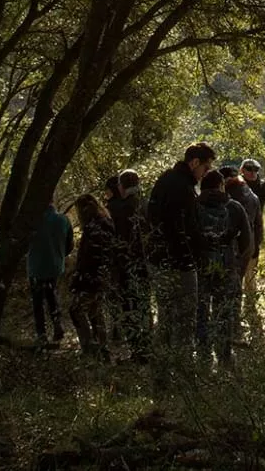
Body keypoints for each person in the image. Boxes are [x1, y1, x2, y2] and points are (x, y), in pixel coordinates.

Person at [146, 142, 215, 372]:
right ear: (194, 162)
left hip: (158, 259)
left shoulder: (165, 180)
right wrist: (193, 255)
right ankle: (183, 372)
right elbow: (184, 229)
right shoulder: (182, 188)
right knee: (185, 319)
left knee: (165, 317)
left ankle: (161, 371)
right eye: (205, 168)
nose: (205, 173)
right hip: (179, 263)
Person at [195, 169, 253, 368]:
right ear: (222, 186)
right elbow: (247, 243)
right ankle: (225, 357)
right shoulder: (234, 207)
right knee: (224, 312)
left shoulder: (193, 206)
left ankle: (202, 356)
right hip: (227, 266)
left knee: (200, 311)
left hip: (200, 268)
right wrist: (238, 267)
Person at [106, 168, 151, 361]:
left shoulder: (118, 208)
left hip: (125, 263)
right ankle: (148, 346)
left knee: (127, 305)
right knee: (144, 304)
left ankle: (137, 350)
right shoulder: (146, 204)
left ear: (122, 186)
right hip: (146, 262)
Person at [68, 194, 116, 360]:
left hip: (92, 278)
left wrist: (81, 276)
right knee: (95, 312)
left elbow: (91, 256)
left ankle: (90, 349)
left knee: (77, 310)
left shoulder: (95, 228)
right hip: (101, 277)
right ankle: (102, 350)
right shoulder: (104, 223)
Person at [27, 201, 74, 346]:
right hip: (55, 266)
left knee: (37, 301)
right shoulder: (63, 219)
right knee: (51, 294)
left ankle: (41, 333)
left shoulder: (32, 221)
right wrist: (60, 255)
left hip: (36, 266)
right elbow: (70, 245)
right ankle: (57, 324)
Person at [225, 160, 265, 329]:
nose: (252, 172)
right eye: (249, 169)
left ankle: (236, 319)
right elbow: (258, 224)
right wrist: (256, 245)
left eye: (255, 170)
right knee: (242, 282)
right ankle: (239, 318)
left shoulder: (230, 197)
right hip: (248, 246)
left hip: (236, 248)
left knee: (237, 284)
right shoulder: (249, 195)